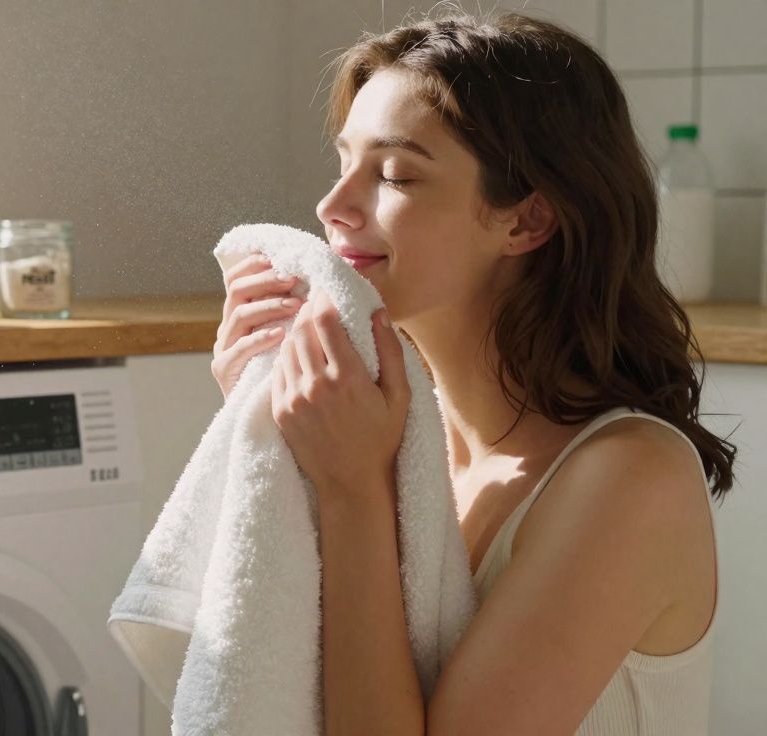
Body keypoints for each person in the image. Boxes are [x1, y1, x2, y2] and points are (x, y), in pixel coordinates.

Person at [209, 10, 738, 735]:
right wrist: (263, 434)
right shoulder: (400, 443)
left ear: (526, 222)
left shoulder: (630, 478)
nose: (331, 208)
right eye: (343, 164)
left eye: (394, 175)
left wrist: (351, 490)